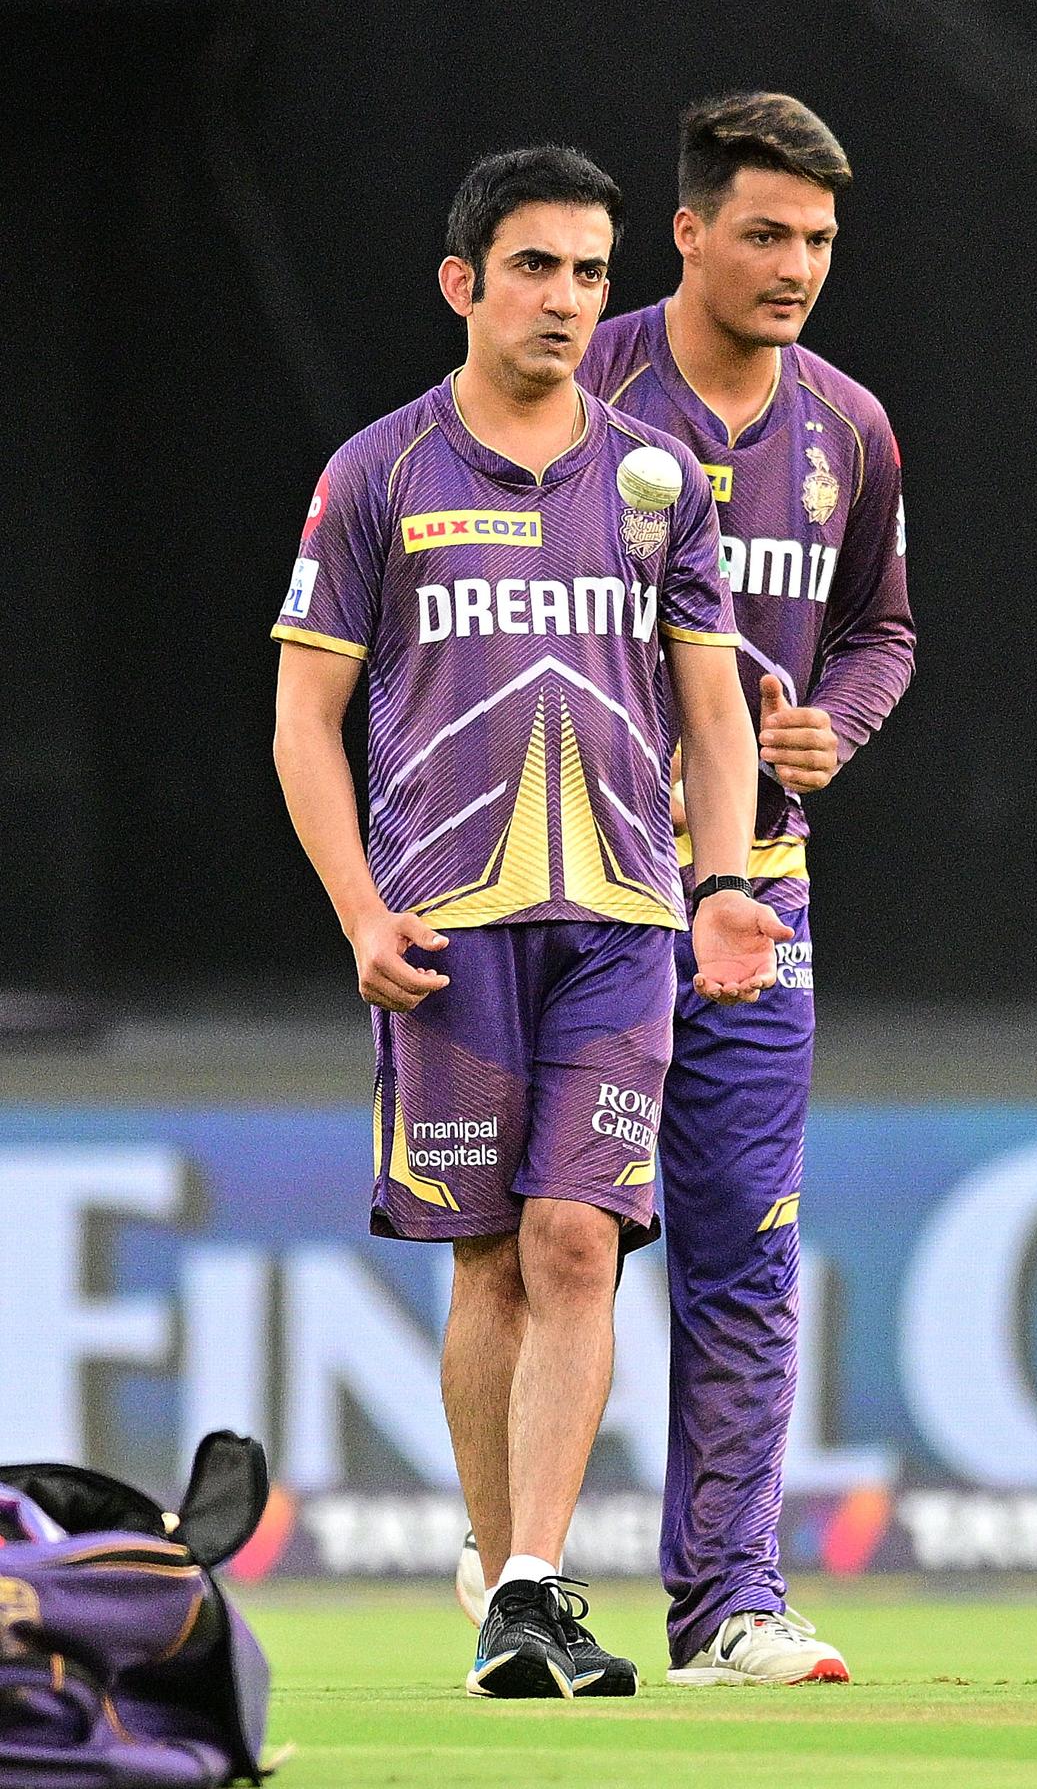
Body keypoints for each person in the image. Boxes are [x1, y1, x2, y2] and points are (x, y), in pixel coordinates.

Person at [271, 144, 787, 1700]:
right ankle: (509, 1589)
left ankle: (533, 1582)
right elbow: (305, 720)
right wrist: (358, 910)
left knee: (579, 1239)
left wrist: (726, 881)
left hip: (622, 919)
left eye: (589, 272)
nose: (568, 300)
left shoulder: (656, 483)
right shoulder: (379, 473)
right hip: (446, 925)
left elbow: (714, 705)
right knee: (488, 1257)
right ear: (464, 285)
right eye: (537, 269)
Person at [456, 93, 916, 1684]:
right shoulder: (587, 380)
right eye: (769, 233)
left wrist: (833, 724)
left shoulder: (849, 429)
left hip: (752, 897)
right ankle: (506, 1541)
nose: (798, 266)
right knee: (533, 1240)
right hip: (567, 892)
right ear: (690, 233)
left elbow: (881, 631)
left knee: (743, 1245)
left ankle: (727, 1607)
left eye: (823, 241)